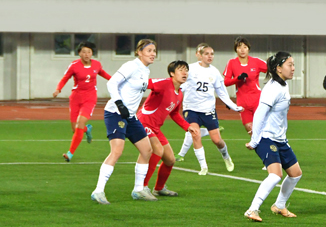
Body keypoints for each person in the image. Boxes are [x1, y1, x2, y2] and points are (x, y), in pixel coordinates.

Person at [90, 39, 156, 205]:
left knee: (147, 150)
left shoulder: (145, 70)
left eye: (154, 51)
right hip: (115, 113)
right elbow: (112, 82)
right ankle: (98, 191)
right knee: (117, 151)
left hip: (130, 116)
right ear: (139, 52)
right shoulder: (131, 66)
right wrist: (119, 103)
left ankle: (138, 189)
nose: (153, 54)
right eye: (149, 50)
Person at [244, 51, 301, 222]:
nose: (293, 68)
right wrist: (255, 140)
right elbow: (260, 113)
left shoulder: (283, 84)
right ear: (278, 68)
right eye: (289, 65)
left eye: (293, 64)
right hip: (266, 137)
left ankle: (279, 205)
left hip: (280, 138)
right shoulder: (272, 88)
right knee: (275, 175)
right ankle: (252, 209)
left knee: (295, 174)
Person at [136, 61, 200, 198]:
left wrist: (187, 126)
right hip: (144, 123)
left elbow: (175, 113)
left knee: (170, 159)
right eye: (181, 70)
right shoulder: (164, 83)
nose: (185, 73)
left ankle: (159, 188)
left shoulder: (179, 93)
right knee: (157, 150)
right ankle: (142, 188)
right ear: (172, 73)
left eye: (186, 70)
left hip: (155, 127)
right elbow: (144, 84)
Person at [178, 43, 243, 175]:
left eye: (212, 54)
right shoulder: (190, 69)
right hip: (191, 109)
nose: (210, 56)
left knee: (217, 140)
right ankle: (203, 167)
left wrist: (234, 106)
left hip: (208, 110)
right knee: (195, 134)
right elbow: (181, 85)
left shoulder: (214, 72)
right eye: (206, 54)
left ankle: (226, 156)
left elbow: (222, 92)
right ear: (200, 55)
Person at [53, 41, 111, 162]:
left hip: (90, 98)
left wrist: (116, 80)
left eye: (89, 52)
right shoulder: (74, 65)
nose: (86, 54)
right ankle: (87, 129)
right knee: (75, 129)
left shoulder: (96, 65)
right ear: (79, 53)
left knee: (80, 123)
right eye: (84, 52)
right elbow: (65, 78)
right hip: (75, 98)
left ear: (92, 53)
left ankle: (70, 154)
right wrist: (58, 89)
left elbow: (103, 73)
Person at [222, 37, 267, 135]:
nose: (242, 50)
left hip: (257, 101)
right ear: (236, 49)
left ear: (248, 49)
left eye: (245, 47)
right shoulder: (232, 63)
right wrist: (238, 78)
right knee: (251, 132)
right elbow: (226, 82)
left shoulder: (256, 61)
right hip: (243, 103)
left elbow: (271, 69)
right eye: (239, 47)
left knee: (261, 131)